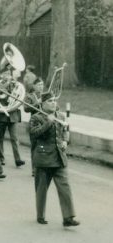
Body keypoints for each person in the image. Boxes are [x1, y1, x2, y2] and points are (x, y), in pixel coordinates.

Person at [30, 92, 79, 227]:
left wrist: (65, 141)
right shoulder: (36, 117)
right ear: (43, 104)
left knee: (65, 188)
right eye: (50, 101)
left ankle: (68, 217)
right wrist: (48, 122)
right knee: (41, 189)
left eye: (54, 101)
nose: (53, 103)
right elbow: (34, 134)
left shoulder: (61, 116)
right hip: (43, 158)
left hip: (59, 157)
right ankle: (40, 215)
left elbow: (65, 130)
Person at [0, 66, 25, 167]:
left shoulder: (15, 85)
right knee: (0, 138)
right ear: (1, 75)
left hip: (12, 115)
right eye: (5, 74)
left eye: (8, 73)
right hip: (0, 115)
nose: (7, 76)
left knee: (14, 138)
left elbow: (20, 96)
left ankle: (18, 159)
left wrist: (13, 86)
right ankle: (1, 158)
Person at [24, 77, 44, 176]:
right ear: (34, 86)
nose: (41, 87)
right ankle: (34, 169)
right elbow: (26, 108)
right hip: (34, 124)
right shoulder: (30, 96)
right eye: (39, 85)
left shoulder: (46, 96)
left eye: (42, 85)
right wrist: (37, 102)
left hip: (44, 123)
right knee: (35, 148)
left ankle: (43, 168)